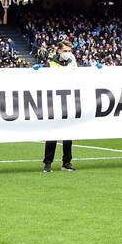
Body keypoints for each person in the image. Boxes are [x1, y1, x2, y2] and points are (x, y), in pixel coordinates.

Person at [42, 42, 77, 172]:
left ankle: (67, 162)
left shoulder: (72, 63)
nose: (68, 53)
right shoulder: (51, 63)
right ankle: (48, 163)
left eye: (70, 50)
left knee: (68, 134)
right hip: (54, 102)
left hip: (69, 101)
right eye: (66, 50)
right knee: (52, 134)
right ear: (59, 51)